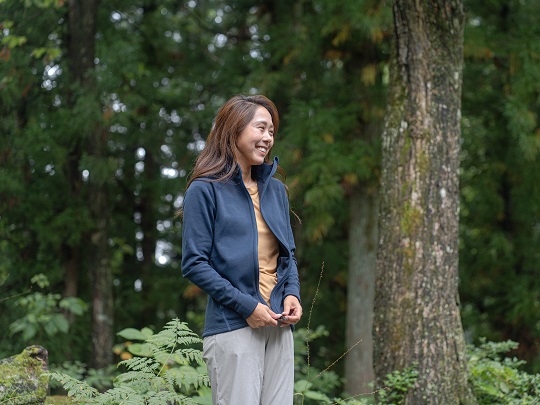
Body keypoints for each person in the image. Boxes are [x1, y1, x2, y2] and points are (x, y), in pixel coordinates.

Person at [181, 94, 302, 404]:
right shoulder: (205, 190)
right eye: (260, 128)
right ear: (234, 129)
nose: (268, 138)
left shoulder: (275, 191)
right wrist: (247, 307)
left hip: (278, 325)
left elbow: (287, 256)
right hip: (233, 326)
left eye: (271, 131)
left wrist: (292, 293)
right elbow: (194, 263)